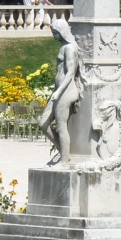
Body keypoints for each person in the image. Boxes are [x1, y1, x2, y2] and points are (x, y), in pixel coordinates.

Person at [39, 19, 86, 166]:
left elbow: (70, 72)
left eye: (55, 33)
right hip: (59, 91)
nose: (53, 36)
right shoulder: (64, 47)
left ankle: (64, 160)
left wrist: (58, 92)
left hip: (66, 91)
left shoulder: (70, 48)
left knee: (61, 125)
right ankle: (63, 152)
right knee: (43, 124)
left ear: (62, 32)